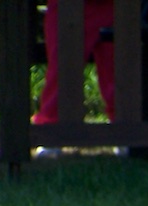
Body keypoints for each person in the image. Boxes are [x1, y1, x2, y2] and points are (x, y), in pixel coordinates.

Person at [33, 0, 116, 157]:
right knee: (60, 69)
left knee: (118, 71)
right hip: (66, 7)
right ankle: (51, 129)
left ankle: (124, 127)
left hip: (115, 7)